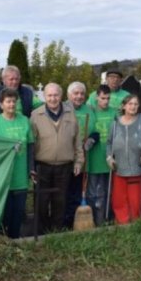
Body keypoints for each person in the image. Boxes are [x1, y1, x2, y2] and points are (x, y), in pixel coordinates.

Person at [31, 83, 83, 233]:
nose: (53, 99)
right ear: (44, 96)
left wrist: (79, 161)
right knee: (41, 202)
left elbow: (77, 140)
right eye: (49, 95)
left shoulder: (70, 113)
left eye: (56, 95)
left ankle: (56, 234)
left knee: (60, 202)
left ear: (61, 96)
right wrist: (31, 167)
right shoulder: (36, 115)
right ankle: (40, 234)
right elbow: (31, 142)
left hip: (64, 166)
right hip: (42, 166)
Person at [0, 88, 34, 238]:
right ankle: (3, 239)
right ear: (1, 104)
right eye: (8, 101)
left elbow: (31, 146)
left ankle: (16, 238)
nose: (12, 104)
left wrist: (31, 168)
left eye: (14, 101)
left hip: (20, 176)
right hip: (4, 177)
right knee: (5, 211)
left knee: (19, 212)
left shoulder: (24, 121)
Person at [106, 94, 141, 224]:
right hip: (119, 167)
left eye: (135, 104)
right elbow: (109, 142)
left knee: (135, 199)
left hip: (137, 167)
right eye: (130, 104)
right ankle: (122, 223)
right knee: (119, 199)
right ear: (124, 106)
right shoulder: (115, 123)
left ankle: (136, 223)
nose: (133, 107)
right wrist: (109, 157)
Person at [63, 81, 98, 228]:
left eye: (82, 93)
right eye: (76, 93)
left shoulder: (89, 110)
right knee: (65, 191)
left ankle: (74, 222)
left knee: (76, 191)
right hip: (65, 157)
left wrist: (91, 140)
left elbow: (96, 131)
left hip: (82, 157)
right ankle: (63, 222)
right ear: (69, 95)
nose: (79, 96)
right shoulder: (63, 108)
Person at [87, 85, 117, 225]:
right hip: (95, 159)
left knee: (108, 191)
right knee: (94, 193)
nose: (106, 101)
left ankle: (107, 218)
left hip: (109, 158)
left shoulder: (114, 113)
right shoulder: (91, 112)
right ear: (96, 97)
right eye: (103, 98)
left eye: (108, 98)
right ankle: (94, 220)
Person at [0, 65, 43, 129]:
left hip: (21, 131)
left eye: (17, 79)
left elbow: (41, 106)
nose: (14, 82)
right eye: (11, 79)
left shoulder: (27, 93)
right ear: (4, 80)